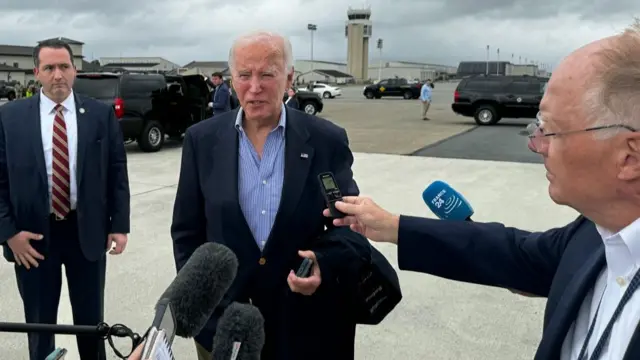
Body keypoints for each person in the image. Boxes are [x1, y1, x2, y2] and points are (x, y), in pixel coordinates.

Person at [324, 24, 640, 360]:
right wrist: (391, 226)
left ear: (629, 157)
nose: (536, 145)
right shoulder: (595, 234)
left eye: (551, 131)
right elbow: (516, 256)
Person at [170, 31, 374, 360]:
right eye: (244, 75)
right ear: (231, 78)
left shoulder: (326, 141)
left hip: (304, 321)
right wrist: (205, 309)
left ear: (289, 78)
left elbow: (348, 229)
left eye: (267, 74)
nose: (254, 87)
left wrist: (324, 265)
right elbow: (187, 231)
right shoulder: (201, 141)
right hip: (227, 325)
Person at [0, 39, 130, 360]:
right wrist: (8, 234)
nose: (58, 75)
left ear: (75, 70)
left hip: (86, 233)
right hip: (32, 239)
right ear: (37, 73)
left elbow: (116, 170)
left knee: (90, 324)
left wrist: (120, 225)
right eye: (49, 68)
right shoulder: (10, 117)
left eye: (64, 67)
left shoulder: (99, 115)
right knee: (39, 324)